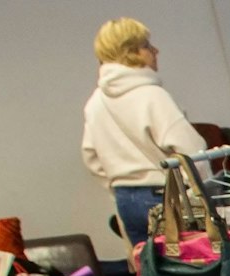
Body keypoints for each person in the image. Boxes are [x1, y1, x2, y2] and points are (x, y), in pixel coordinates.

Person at [80, 17, 205, 251]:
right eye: (147, 45)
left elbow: (91, 158)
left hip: (126, 200)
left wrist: (119, 185)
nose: (155, 51)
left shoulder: (95, 102)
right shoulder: (152, 96)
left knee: (150, 275)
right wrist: (202, 196)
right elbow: (191, 152)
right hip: (163, 197)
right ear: (131, 53)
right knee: (191, 274)